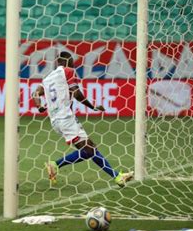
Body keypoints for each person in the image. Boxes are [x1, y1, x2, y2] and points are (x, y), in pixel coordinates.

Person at [32, 51, 133, 188]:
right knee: (89, 150)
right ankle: (56, 164)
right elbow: (76, 92)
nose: (74, 64)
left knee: (89, 150)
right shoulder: (67, 71)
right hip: (65, 118)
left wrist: (39, 106)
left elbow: (35, 93)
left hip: (55, 120)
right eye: (72, 61)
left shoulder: (47, 78)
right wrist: (92, 107)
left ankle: (116, 176)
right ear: (67, 61)